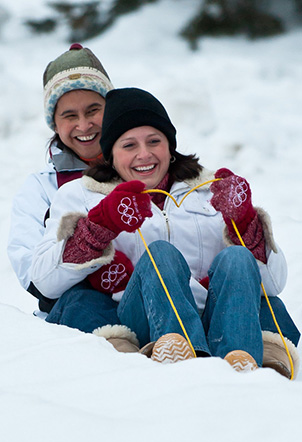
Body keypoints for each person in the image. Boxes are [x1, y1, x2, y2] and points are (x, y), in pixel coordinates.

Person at [30, 87, 300, 378]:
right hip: (138, 320)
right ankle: (182, 354)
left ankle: (240, 362)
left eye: (154, 141)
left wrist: (245, 222)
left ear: (170, 147)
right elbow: (45, 282)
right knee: (160, 255)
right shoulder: (81, 196)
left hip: (217, 320)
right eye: (129, 145)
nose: (144, 154)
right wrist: (102, 224)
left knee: (236, 257)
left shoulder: (210, 190)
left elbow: (273, 284)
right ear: (110, 155)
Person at [7, 43, 114, 313]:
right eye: (69, 116)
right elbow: (30, 271)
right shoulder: (42, 187)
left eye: (93, 110)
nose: (84, 125)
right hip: (74, 309)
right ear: (54, 123)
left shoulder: (142, 168)